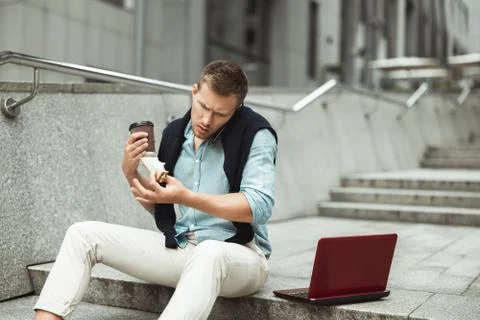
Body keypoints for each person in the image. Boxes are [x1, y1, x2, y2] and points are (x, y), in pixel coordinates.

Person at [33, 60, 278, 320]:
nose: (207, 120)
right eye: (203, 106)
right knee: (82, 234)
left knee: (210, 252)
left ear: (237, 108)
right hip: (184, 247)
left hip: (241, 256)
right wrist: (131, 172)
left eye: (220, 114)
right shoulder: (175, 133)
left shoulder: (257, 133)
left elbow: (258, 207)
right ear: (194, 91)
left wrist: (186, 197)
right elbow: (161, 204)